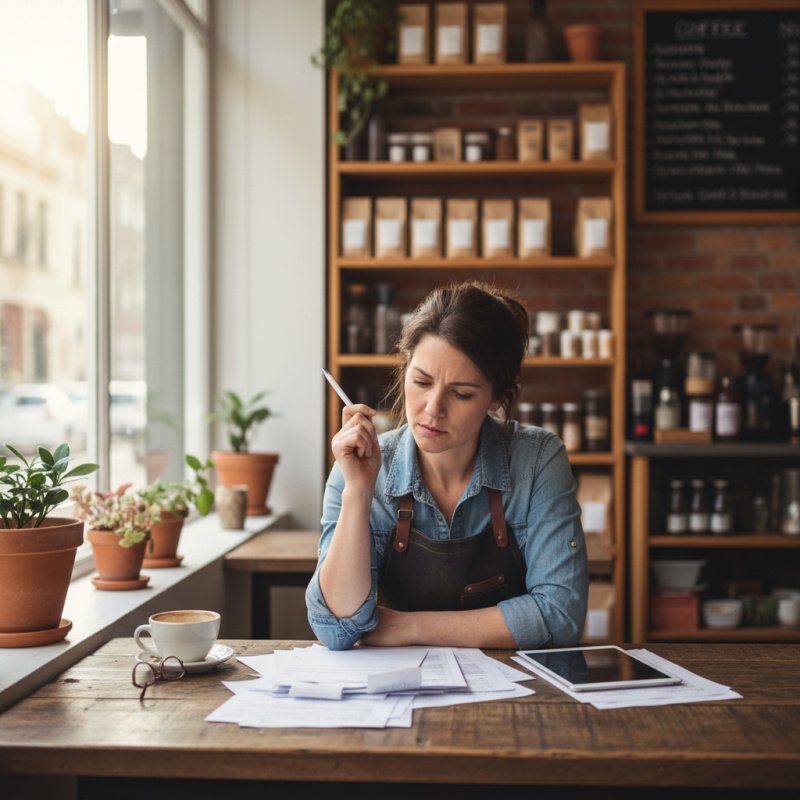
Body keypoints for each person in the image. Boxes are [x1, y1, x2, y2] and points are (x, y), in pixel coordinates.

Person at [306, 281, 588, 650]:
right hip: (395, 692)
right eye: (421, 381)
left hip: (515, 695)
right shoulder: (362, 463)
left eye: (462, 393)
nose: (432, 409)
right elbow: (336, 628)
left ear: (497, 398)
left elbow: (561, 614)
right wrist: (358, 492)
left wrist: (409, 628)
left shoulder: (536, 460)